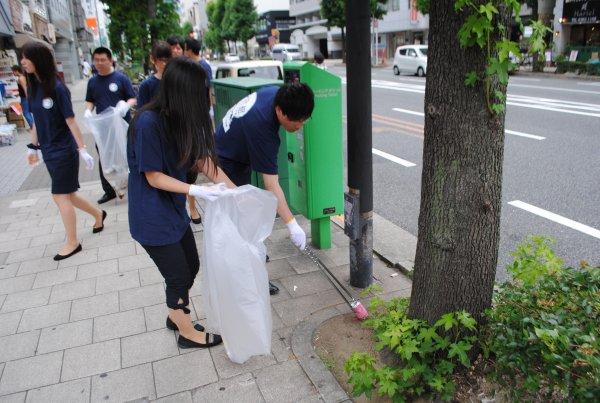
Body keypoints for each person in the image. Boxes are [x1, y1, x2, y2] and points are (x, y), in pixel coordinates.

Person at [127, 57, 233, 348]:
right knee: (178, 274)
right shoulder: (148, 123)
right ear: (184, 93)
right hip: (151, 216)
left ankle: (176, 315)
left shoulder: (181, 121)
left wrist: (235, 193)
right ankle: (187, 332)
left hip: (172, 211)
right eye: (202, 93)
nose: (206, 99)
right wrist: (195, 191)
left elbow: (203, 161)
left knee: (191, 264)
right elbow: (153, 177)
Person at [214, 83, 315, 295]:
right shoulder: (262, 128)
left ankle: (252, 254)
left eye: (304, 119)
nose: (300, 125)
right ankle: (250, 278)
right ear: (280, 111)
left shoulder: (276, 93)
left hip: (235, 145)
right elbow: (271, 185)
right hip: (228, 159)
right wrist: (292, 224)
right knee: (239, 221)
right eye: (297, 120)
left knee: (247, 215)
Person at [21, 42, 106, 261]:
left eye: (26, 57)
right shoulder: (33, 87)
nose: (22, 62)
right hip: (48, 150)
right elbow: (37, 123)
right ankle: (98, 214)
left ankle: (72, 242)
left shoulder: (58, 88)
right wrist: (34, 147)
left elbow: (71, 121)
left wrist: (83, 149)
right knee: (69, 195)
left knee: (59, 196)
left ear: (38, 59)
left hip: (63, 151)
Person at [84, 47, 137, 204]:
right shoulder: (93, 81)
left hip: (122, 126)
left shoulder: (121, 78)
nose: (99, 63)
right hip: (103, 128)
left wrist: (125, 106)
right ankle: (109, 190)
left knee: (127, 154)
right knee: (104, 158)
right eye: (96, 60)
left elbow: (132, 98)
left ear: (110, 60)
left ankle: (132, 186)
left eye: (103, 60)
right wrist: (88, 111)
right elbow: (90, 100)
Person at [183, 37, 213, 224]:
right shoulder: (186, 67)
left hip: (197, 121)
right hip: (188, 123)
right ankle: (190, 207)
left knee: (193, 164)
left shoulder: (202, 67)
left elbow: (207, 91)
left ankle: (192, 207)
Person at [137, 41, 172, 108]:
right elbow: (141, 112)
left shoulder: (176, 81)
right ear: (152, 59)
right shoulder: (146, 85)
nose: (164, 63)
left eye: (167, 60)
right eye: (161, 60)